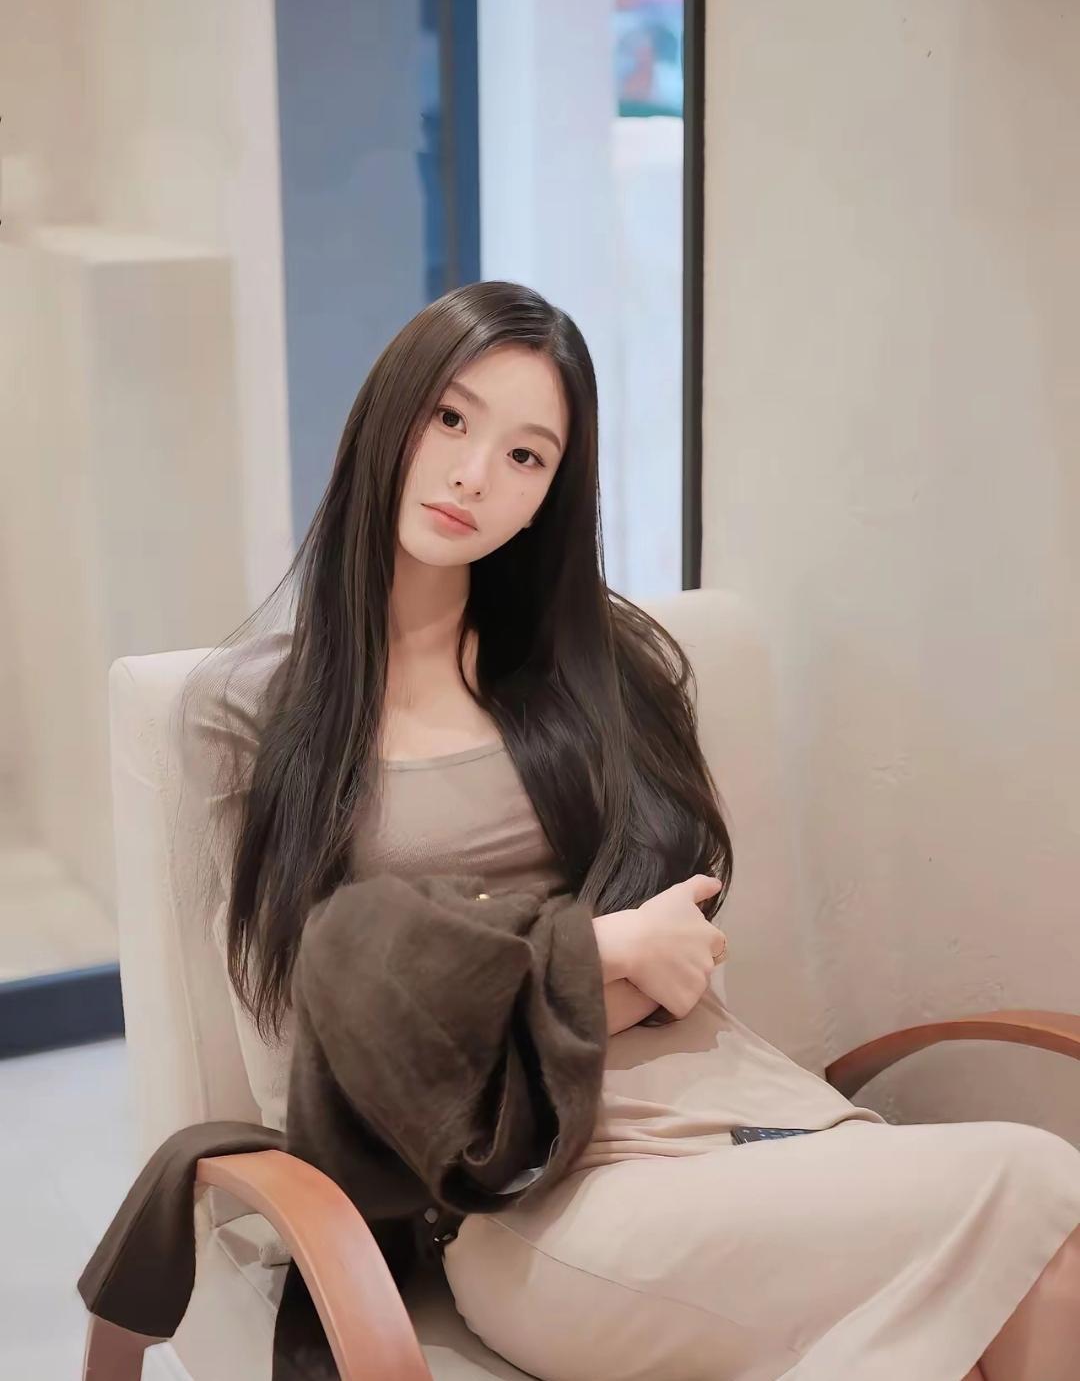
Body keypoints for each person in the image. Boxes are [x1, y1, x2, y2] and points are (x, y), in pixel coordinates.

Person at [177, 280, 1080, 1380]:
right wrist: (603, 950)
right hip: (546, 1187)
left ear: (549, 496)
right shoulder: (255, 719)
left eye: (526, 455)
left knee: (1029, 1275)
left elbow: (681, 958)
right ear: (388, 413)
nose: (474, 473)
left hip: (758, 1115)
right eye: (451, 418)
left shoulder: (608, 671)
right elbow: (334, 1030)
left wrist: (529, 974)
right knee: (1042, 1187)